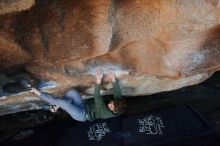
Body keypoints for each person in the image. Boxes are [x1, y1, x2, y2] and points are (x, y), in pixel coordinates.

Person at [28, 69, 127, 122]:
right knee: (72, 93)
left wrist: (98, 79)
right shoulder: (119, 105)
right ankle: (56, 106)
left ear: (113, 111)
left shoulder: (106, 112)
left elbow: (97, 96)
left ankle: (37, 93)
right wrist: (113, 77)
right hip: (84, 104)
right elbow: (118, 92)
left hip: (82, 115)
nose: (110, 103)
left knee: (64, 102)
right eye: (111, 102)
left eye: (110, 106)